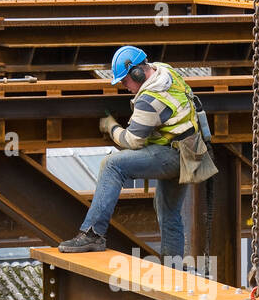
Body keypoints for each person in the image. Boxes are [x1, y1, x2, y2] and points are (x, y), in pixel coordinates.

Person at [58, 45, 217, 258]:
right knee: (169, 213)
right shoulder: (164, 70)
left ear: (138, 73)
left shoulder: (150, 99)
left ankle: (93, 234)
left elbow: (132, 141)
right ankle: (175, 270)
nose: (125, 86)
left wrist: (110, 126)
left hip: (172, 156)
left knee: (112, 165)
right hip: (189, 152)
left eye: (125, 81)